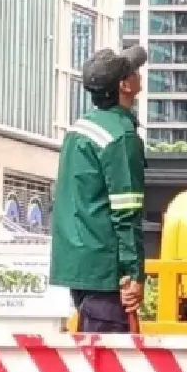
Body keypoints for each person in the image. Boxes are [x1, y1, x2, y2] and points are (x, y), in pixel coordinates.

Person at [49, 44, 148, 333]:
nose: (139, 74)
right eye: (134, 71)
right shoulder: (120, 137)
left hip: (81, 266)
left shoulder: (79, 130)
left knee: (91, 352)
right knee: (110, 357)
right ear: (124, 85)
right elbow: (126, 212)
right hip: (107, 272)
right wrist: (133, 274)